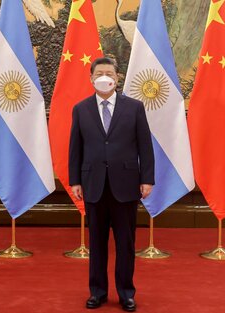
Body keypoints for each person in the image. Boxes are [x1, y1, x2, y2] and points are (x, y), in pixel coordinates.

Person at [69, 57, 154, 312]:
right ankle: (97, 292)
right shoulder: (81, 109)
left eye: (109, 73)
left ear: (117, 77)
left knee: (125, 243)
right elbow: (76, 148)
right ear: (91, 78)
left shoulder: (134, 108)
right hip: (93, 184)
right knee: (96, 243)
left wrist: (147, 178)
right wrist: (75, 180)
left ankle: (126, 293)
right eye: (99, 73)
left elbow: (145, 146)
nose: (104, 77)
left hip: (126, 185)